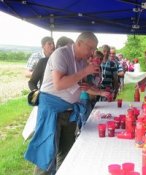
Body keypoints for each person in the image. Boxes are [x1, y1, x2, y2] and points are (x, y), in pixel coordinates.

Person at [25, 32, 100, 175]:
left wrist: (98, 91)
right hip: (52, 110)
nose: (92, 53)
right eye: (90, 48)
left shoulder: (83, 60)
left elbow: (79, 83)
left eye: (94, 49)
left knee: (67, 153)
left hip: (70, 110)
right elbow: (59, 84)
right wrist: (85, 71)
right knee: (47, 153)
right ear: (79, 43)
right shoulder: (61, 54)